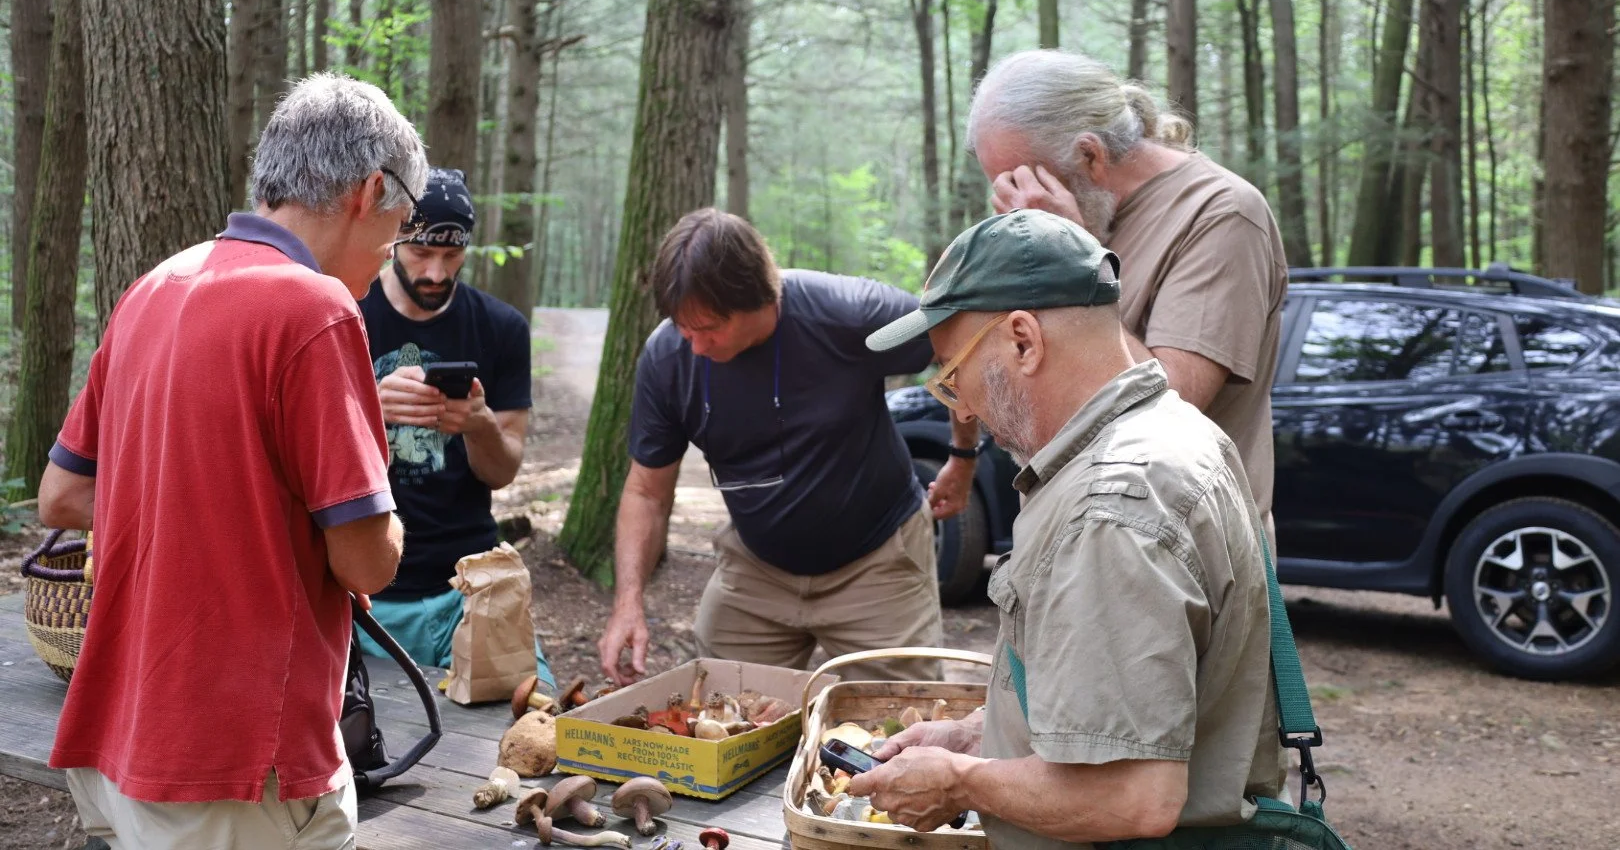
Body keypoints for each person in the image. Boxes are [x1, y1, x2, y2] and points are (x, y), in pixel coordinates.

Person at [38, 73, 425, 849]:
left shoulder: (155, 287)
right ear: (370, 189)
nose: (395, 253)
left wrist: (203, 502)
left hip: (123, 737)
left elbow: (62, 494)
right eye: (401, 228)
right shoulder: (314, 310)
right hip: (241, 764)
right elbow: (367, 562)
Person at [854, 209, 1284, 847]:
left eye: (952, 376)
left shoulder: (1110, 507)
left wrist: (960, 781)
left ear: (1023, 341)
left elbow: (1131, 796)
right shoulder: (1170, 429)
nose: (963, 406)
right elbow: (1134, 705)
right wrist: (983, 735)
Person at [597, 208, 980, 684]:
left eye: (709, 327)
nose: (695, 346)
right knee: (720, 710)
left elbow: (960, 346)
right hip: (757, 571)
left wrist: (963, 457)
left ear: (759, 296)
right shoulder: (667, 358)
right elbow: (646, 493)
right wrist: (628, 603)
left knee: (903, 722)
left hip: (877, 564)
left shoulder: (852, 314)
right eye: (682, 327)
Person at [969, 50, 1287, 532]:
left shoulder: (1222, 213)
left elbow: (1171, 402)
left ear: (1090, 155)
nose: (1015, 204)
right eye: (1004, 186)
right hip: (1075, 528)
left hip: (1182, 546)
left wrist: (1073, 257)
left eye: (1024, 179)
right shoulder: (1066, 215)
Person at [357, 167, 552, 687]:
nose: (437, 273)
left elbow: (501, 472)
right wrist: (367, 409)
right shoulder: (345, 315)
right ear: (394, 237)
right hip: (359, 593)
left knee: (531, 717)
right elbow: (295, 456)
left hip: (468, 586)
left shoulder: (501, 328)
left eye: (452, 255)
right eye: (421, 253)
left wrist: (479, 423)